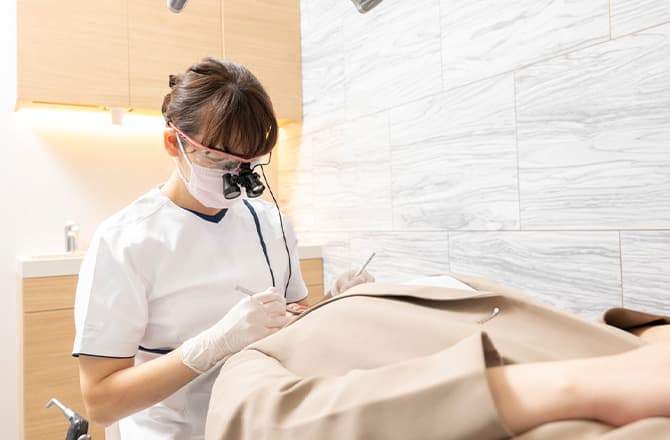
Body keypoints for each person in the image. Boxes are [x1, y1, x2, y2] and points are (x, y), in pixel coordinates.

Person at [71, 57, 374, 440]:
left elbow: (293, 322)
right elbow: (101, 402)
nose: (236, 177)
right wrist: (211, 345)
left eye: (248, 163)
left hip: (262, 425)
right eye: (220, 159)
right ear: (173, 143)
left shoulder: (272, 224)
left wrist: (336, 303)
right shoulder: (124, 241)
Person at [205, 273, 670, 439]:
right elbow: (255, 425)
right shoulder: (255, 355)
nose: (289, 306)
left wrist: (649, 334)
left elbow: (536, 322)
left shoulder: (409, 288)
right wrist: (583, 386)